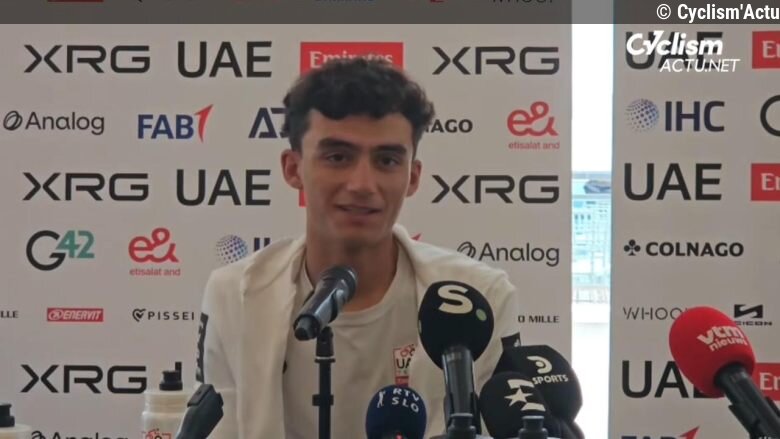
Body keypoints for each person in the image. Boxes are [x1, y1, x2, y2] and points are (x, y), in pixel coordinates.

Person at [196, 57, 521, 439]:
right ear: (292, 169)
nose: (362, 184)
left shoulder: (480, 296)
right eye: (338, 157)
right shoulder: (235, 294)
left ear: (412, 177)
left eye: (387, 160)